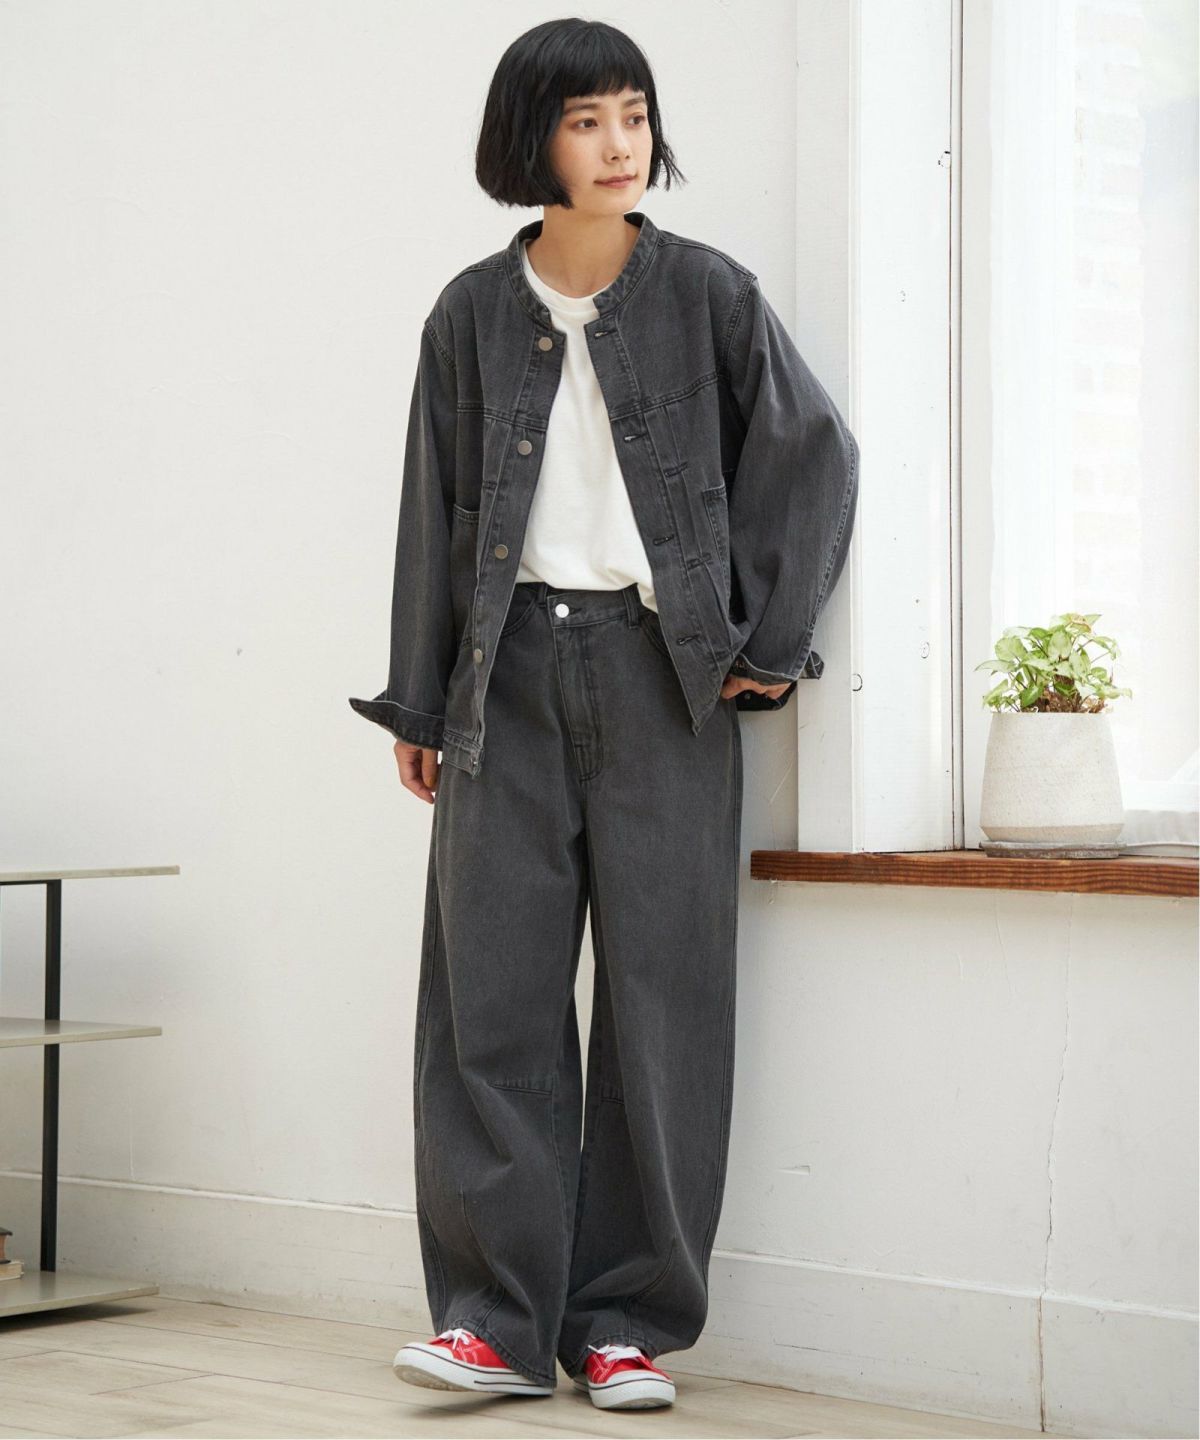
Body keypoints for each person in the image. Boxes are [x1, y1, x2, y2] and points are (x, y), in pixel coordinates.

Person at [348, 16, 859, 1412]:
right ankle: (497, 1324)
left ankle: (623, 1323)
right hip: (503, 678)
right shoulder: (468, 313)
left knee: (663, 1003)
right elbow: (431, 509)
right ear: (534, 140)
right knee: (491, 1001)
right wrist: (421, 696)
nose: (620, 142)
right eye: (586, 119)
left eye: (633, 113)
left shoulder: (707, 294)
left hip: (660, 677)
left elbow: (813, 455)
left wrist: (769, 640)